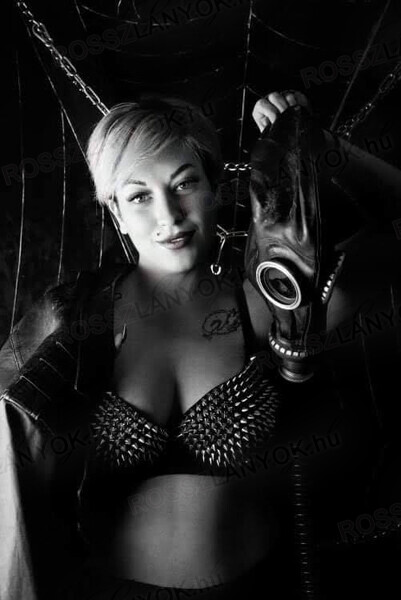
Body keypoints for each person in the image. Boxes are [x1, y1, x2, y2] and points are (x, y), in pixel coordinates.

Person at [1, 90, 401, 600]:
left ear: (215, 187)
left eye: (184, 183)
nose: (169, 216)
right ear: (116, 212)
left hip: (256, 590)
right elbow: (9, 444)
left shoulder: (270, 300)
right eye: (139, 196)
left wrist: (318, 142)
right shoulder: (73, 314)